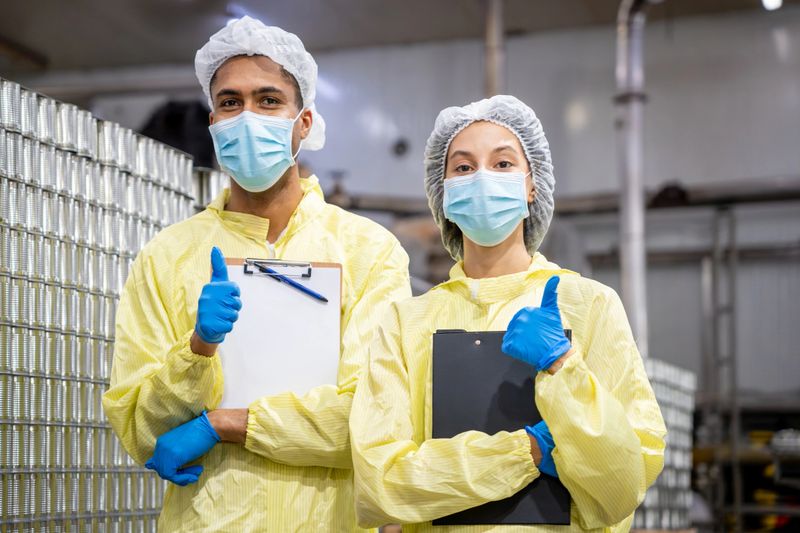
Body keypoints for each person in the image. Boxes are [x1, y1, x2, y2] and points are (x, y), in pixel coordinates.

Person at [102, 16, 411, 531]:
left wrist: (223, 424)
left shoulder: (368, 251)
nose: (247, 117)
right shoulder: (168, 255)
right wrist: (197, 351)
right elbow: (142, 431)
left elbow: (374, 421)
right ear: (212, 124)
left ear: (304, 122)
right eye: (230, 102)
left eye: (268, 101)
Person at [349, 95, 667, 532]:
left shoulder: (590, 304)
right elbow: (380, 482)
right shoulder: (407, 321)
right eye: (463, 168)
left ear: (532, 184)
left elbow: (625, 482)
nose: (482, 177)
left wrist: (563, 367)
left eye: (502, 164)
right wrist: (529, 452)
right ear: (443, 194)